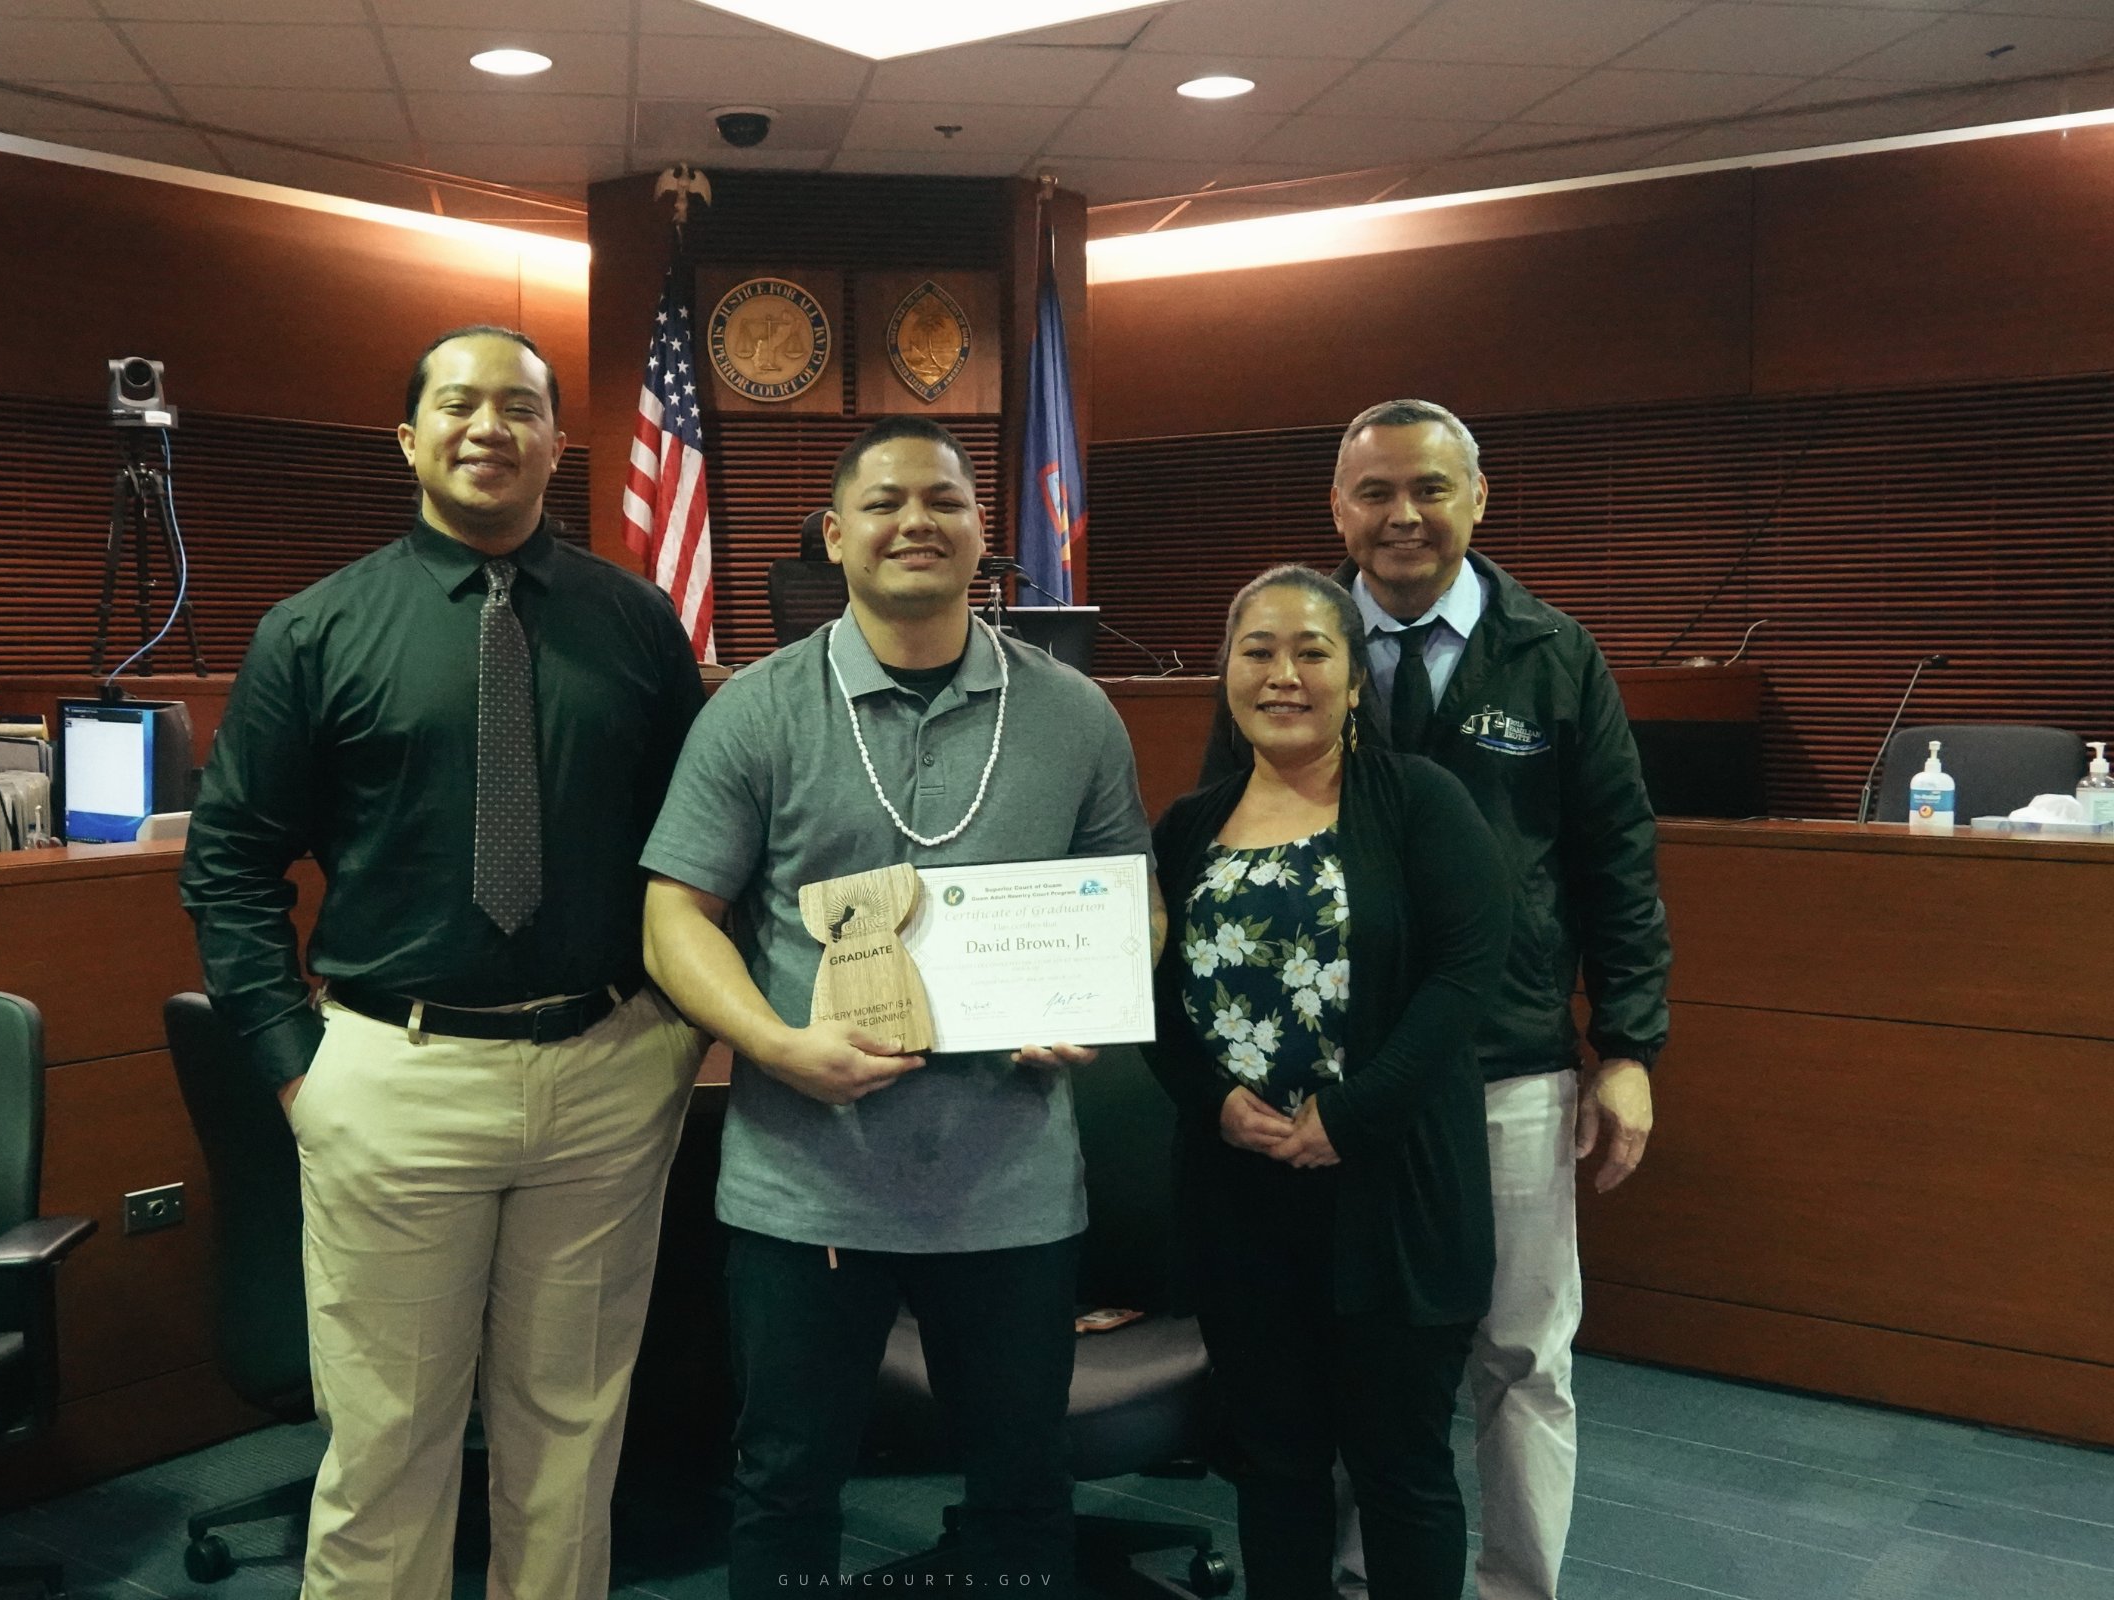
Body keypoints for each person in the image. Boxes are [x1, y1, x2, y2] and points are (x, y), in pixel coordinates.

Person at [179, 326, 708, 1600]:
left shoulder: (638, 625)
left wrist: (674, 1030)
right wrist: (297, 1066)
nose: (489, 427)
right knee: (387, 1444)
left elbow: (698, 847)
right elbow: (230, 863)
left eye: (519, 406)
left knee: (572, 1434)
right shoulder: (315, 630)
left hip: (606, 1072)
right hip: (392, 1076)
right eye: (459, 405)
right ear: (409, 438)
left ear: (558, 442)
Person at [639, 416, 1154, 1598]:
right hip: (805, 1182)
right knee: (787, 1483)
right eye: (883, 503)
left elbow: (1133, 905)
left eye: (944, 500)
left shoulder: (1074, 712)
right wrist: (774, 1042)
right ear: (834, 535)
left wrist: (1091, 998)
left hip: (1010, 1188)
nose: (915, 521)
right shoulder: (757, 709)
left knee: (1023, 1485)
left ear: (982, 533)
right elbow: (675, 916)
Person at [1201, 400, 1673, 1600]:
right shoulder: (1290, 646)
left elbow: (1617, 858)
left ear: (1479, 498)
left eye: (1430, 488)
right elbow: (1222, 857)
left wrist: (1627, 1045)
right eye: (1374, 492)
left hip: (1505, 1061)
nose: (1402, 514)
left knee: (1519, 1350)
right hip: (1328, 1081)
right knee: (1348, 1350)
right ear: (1337, 508)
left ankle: (1516, 1586)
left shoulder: (1552, 653)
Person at [1152, 565, 1509, 1599]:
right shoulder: (1187, 828)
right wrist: (1214, 1101)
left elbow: (1465, 975)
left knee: (1400, 1469)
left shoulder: (1421, 801)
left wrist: (1351, 1115)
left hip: (1393, 1193)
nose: (1284, 675)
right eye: (1258, 651)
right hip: (1240, 1196)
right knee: (1274, 1464)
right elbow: (1152, 1001)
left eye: (1313, 652)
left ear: (1355, 681)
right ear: (1226, 674)